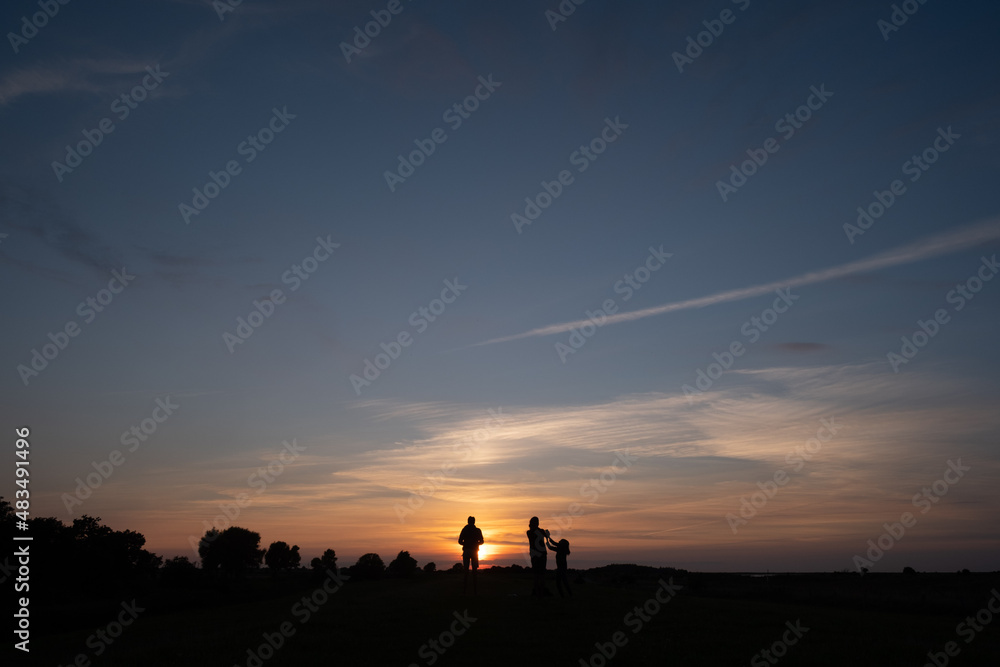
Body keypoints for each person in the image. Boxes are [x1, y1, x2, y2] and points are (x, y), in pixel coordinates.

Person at [458, 516, 484, 596]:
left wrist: (466, 544)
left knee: (466, 571)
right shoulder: (477, 530)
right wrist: (475, 543)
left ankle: (464, 592)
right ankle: (475, 592)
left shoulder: (464, 529)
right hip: (474, 552)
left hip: (466, 551)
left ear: (468, 521)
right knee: (474, 572)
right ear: (474, 522)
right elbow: (482, 541)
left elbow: (459, 541)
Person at [527, 517, 551, 597]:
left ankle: (537, 593)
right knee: (541, 575)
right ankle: (541, 593)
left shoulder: (529, 532)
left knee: (536, 575)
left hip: (534, 555)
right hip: (542, 554)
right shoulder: (540, 531)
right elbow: (547, 535)